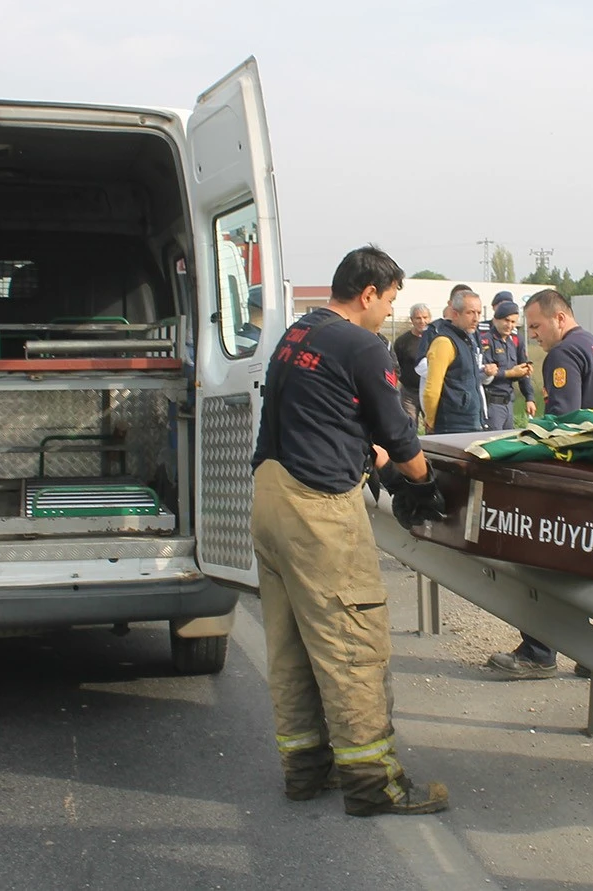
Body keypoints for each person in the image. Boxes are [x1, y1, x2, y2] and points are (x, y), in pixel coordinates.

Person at [250, 245, 450, 817]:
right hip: (318, 507)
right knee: (351, 640)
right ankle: (372, 784)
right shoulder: (364, 345)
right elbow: (401, 436)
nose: (388, 313)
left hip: (269, 494)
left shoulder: (298, 333)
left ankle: (306, 769)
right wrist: (422, 483)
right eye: (388, 300)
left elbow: (331, 414)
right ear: (369, 293)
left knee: (291, 644)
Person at [486, 289, 593, 680]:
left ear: (560, 318)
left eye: (535, 326)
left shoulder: (564, 354)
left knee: (537, 562)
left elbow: (562, 427)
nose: (532, 336)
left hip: (577, 482)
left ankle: (538, 651)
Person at [421, 290, 490, 434]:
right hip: (451, 425)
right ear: (455, 313)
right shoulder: (444, 342)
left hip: (472, 422)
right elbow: (432, 390)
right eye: (470, 312)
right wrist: (431, 422)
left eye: (478, 313)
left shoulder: (467, 340)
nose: (476, 318)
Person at [482, 301, 535, 431]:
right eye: (506, 321)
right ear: (496, 320)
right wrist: (511, 373)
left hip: (509, 403)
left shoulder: (512, 342)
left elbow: (521, 370)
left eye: (513, 322)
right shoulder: (486, 341)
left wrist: (529, 398)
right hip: (492, 403)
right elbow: (486, 373)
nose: (510, 325)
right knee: (493, 443)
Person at [392, 303, 432, 428]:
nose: (422, 321)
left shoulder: (436, 339)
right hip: (409, 393)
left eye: (425, 317)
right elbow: (395, 366)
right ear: (412, 320)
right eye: (418, 318)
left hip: (429, 391)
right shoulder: (403, 341)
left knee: (431, 427)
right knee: (409, 427)